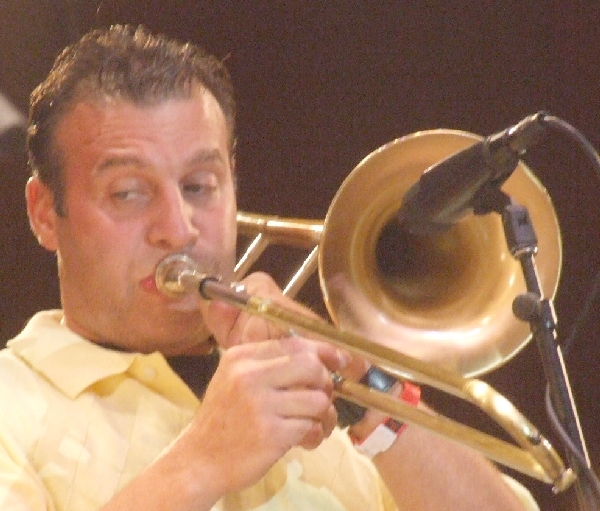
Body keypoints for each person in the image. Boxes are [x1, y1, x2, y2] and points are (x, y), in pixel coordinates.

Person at [0, 24, 539, 511]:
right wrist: (198, 466)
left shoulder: (321, 389)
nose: (179, 227)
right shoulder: (12, 403)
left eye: (198, 187)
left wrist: (373, 395)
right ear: (45, 214)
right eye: (129, 193)